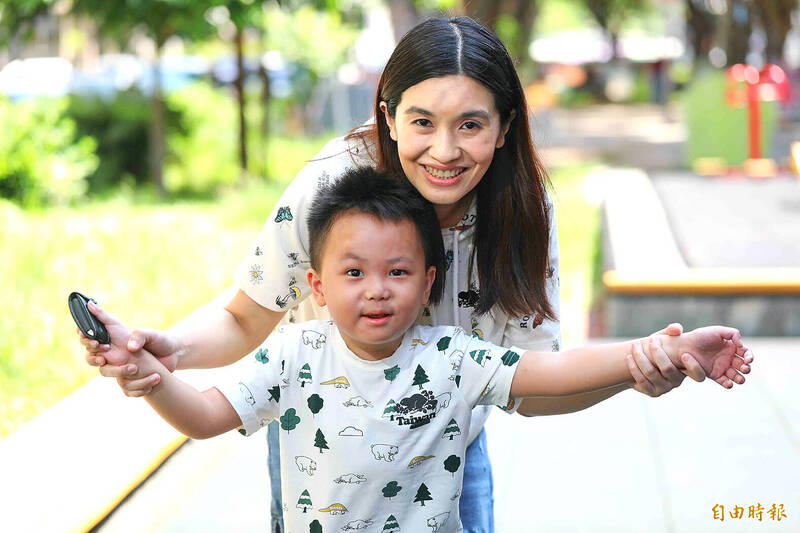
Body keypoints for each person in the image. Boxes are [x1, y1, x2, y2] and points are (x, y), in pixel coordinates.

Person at [79, 17, 714, 533]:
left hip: (447, 451)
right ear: (387, 116)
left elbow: (532, 379)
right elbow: (246, 316)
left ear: (505, 127)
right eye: (421, 122)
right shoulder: (332, 188)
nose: (444, 151)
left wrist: (638, 370)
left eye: (471, 123)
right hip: (321, 453)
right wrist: (167, 355)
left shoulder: (521, 210)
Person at [96, 167, 752, 533]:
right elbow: (208, 414)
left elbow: (549, 370)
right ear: (317, 285)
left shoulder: (454, 355)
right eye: (354, 273)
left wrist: (655, 349)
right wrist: (154, 377)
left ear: (430, 280)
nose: (377, 291)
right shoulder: (292, 353)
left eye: (399, 272)